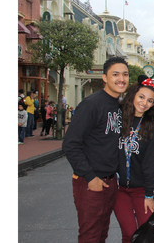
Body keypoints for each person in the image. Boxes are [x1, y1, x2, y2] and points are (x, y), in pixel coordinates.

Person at [62, 56, 129, 243]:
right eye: (115, 74)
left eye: (125, 74)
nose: (121, 79)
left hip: (109, 181)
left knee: (101, 234)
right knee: (90, 235)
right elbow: (70, 144)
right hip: (90, 182)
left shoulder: (118, 105)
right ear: (105, 78)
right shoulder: (91, 104)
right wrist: (90, 177)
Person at [114, 75, 154, 243]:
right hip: (119, 190)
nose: (144, 103)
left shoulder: (153, 126)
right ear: (134, 95)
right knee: (128, 234)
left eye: (150, 100)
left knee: (146, 234)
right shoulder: (119, 118)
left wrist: (149, 194)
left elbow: (150, 162)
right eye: (141, 97)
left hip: (142, 191)